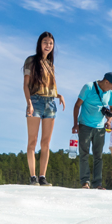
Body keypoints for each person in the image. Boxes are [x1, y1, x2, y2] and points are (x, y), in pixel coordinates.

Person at [23, 32, 65, 186]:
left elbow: (49, 87)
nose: (48, 45)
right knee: (32, 141)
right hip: (35, 101)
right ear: (40, 44)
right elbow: (26, 85)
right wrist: (29, 103)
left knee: (46, 142)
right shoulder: (31, 61)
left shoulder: (51, 65)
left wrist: (58, 95)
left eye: (51, 43)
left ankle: (42, 176)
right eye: (45, 42)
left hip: (51, 104)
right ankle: (33, 177)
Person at [73, 72, 112, 189]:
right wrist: (75, 124)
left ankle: (97, 184)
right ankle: (85, 182)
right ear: (106, 82)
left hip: (100, 128)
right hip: (85, 125)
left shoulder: (110, 92)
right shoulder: (88, 87)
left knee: (98, 156)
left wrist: (109, 120)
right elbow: (77, 105)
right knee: (84, 153)